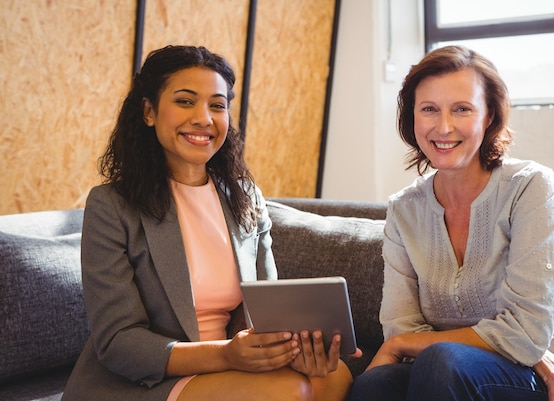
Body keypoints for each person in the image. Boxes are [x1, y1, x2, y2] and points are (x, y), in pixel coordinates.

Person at [62, 45, 355, 401]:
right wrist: (226, 353)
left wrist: (298, 346)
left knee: (333, 376)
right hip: (147, 381)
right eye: (186, 102)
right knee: (289, 392)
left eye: (217, 105)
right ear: (149, 111)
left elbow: (268, 313)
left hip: (232, 365)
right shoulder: (112, 206)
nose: (204, 118)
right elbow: (118, 341)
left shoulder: (246, 197)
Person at [347, 45, 554, 401]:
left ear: (489, 115)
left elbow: (525, 330)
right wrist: (406, 341)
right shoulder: (404, 209)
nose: (443, 127)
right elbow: (403, 326)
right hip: (471, 370)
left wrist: (404, 343)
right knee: (376, 384)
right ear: (411, 118)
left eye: (461, 109)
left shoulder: (530, 186)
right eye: (429, 109)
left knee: (441, 360)